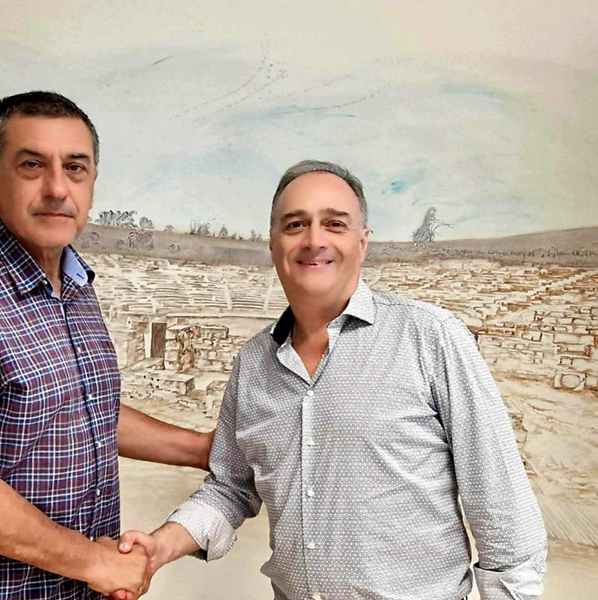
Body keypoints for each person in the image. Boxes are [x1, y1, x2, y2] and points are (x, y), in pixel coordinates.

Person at [117, 160, 548, 600]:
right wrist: (159, 547)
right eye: (295, 224)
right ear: (273, 243)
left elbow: (504, 515)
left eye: (334, 224)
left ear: (362, 243)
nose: (314, 239)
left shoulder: (431, 338)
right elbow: (230, 487)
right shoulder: (253, 363)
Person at [0, 91, 212, 600]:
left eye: (75, 168)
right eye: (32, 165)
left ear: (91, 182)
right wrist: (96, 562)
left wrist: (203, 450)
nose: (57, 188)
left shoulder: (74, 286)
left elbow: (80, 410)